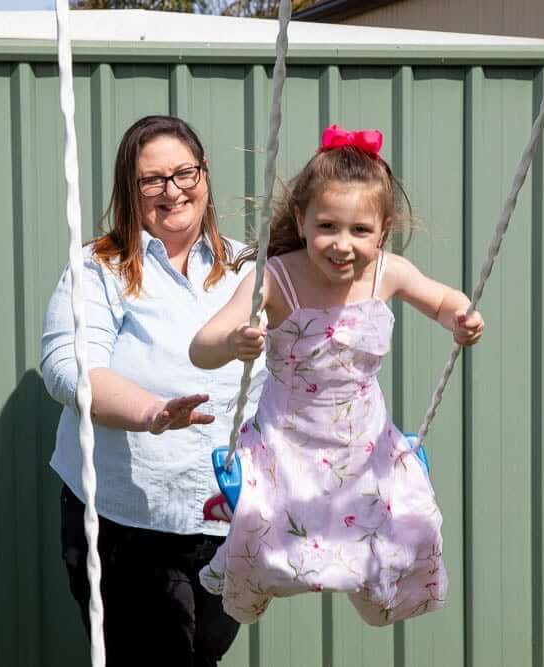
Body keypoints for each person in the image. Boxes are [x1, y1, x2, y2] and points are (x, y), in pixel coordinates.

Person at [188, 124, 484, 626]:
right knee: (267, 550)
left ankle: (377, 589)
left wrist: (462, 317)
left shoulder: (388, 271)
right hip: (289, 445)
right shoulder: (275, 277)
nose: (342, 245)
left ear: (382, 231)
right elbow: (201, 348)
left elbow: (442, 299)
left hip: (364, 447)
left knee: (410, 533)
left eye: (360, 231)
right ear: (302, 220)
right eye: (327, 226)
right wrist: (235, 340)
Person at [41, 115, 263, 665]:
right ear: (130, 189)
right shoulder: (99, 267)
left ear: (205, 175)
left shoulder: (250, 268)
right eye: (152, 180)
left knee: (203, 653)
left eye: (185, 172)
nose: (173, 190)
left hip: (224, 514)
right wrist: (153, 412)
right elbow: (68, 367)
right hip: (127, 520)